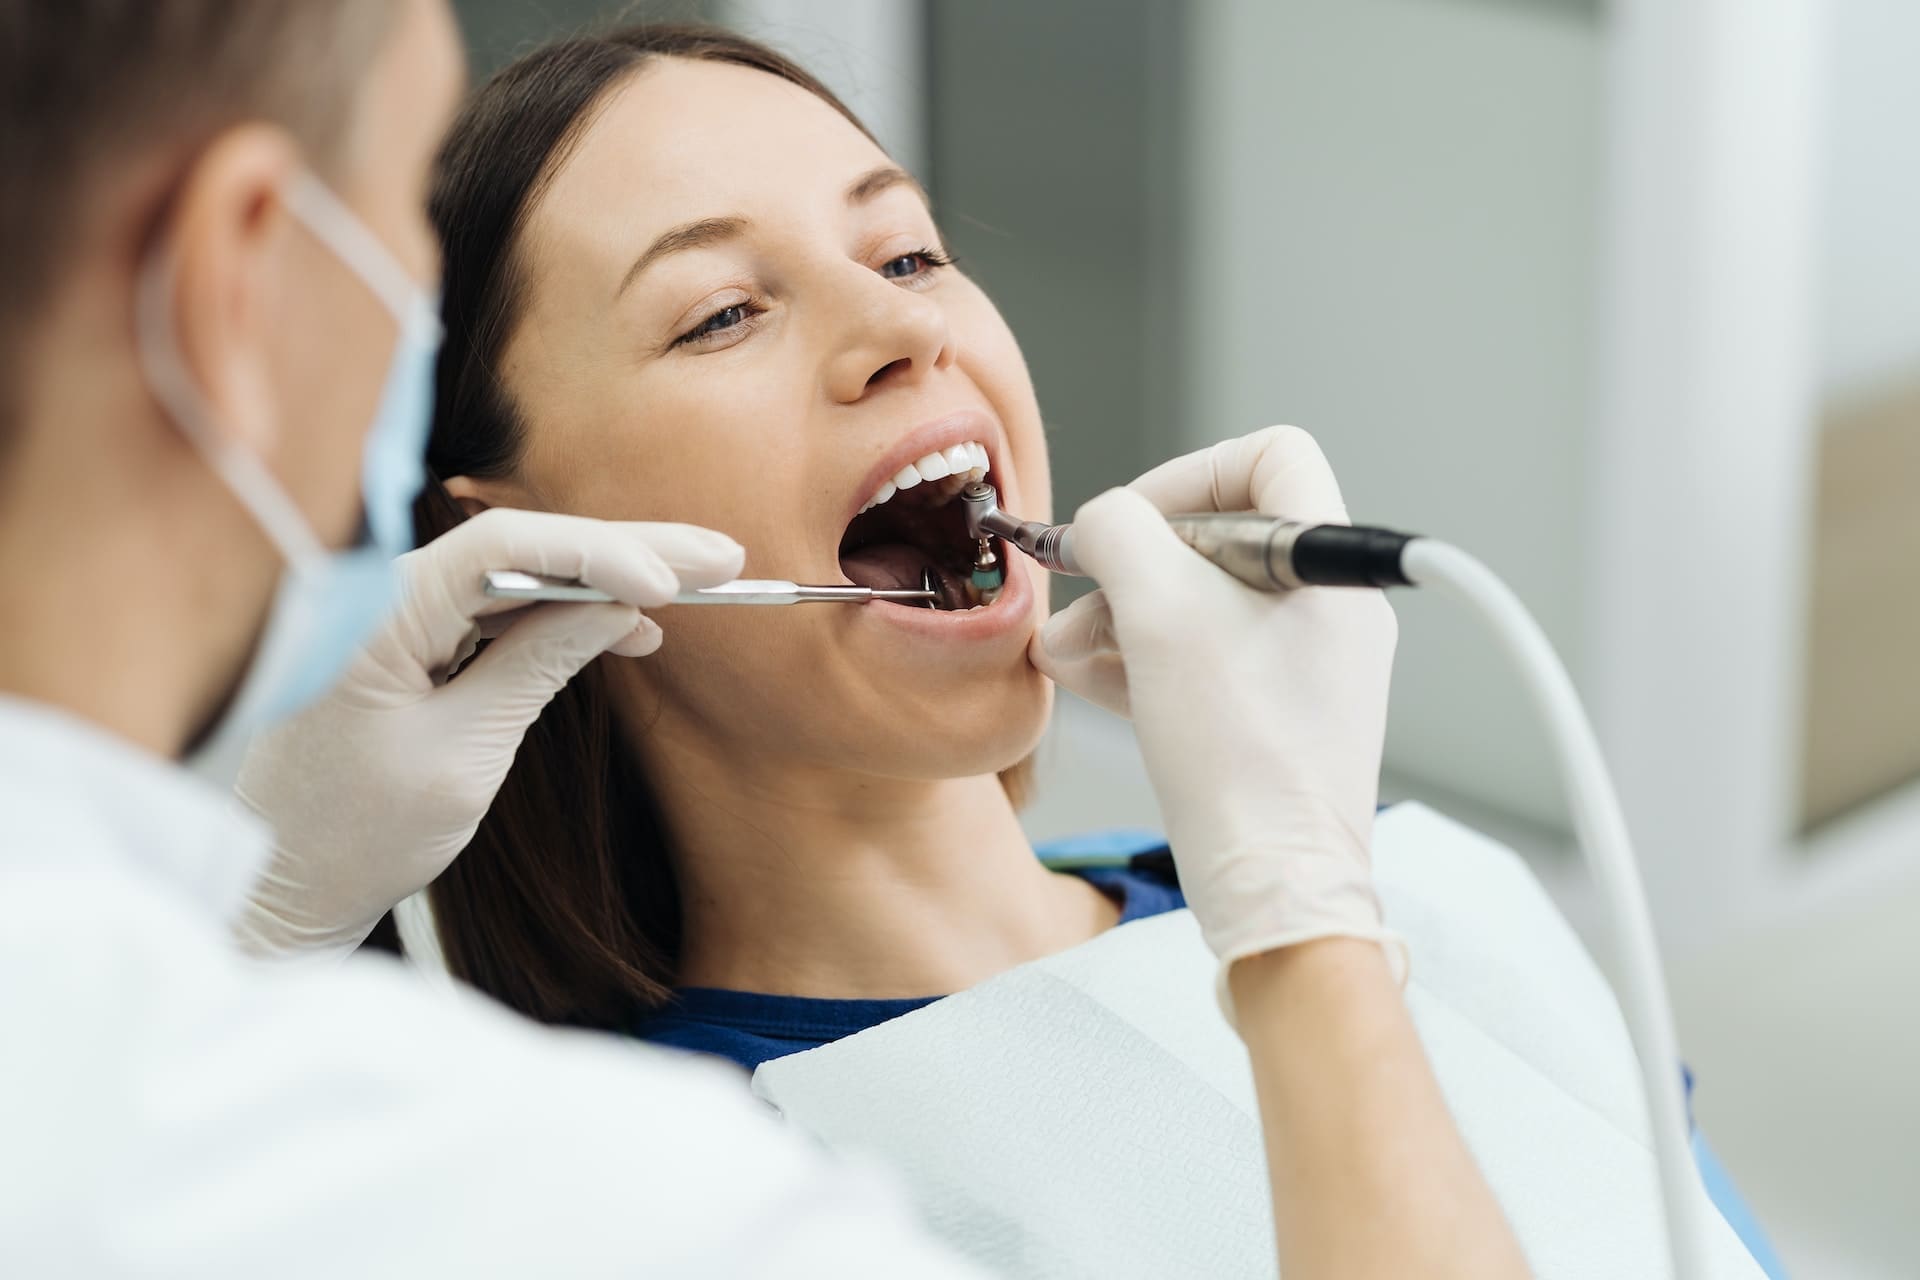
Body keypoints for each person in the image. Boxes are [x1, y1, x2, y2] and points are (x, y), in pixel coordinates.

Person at [0, 2, 1529, 1276]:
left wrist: (1315, 886)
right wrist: (1306, 931)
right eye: (723, 312)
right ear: (508, 541)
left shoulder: (1446, 900)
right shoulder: (636, 1190)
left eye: (912, 252)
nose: (904, 329)